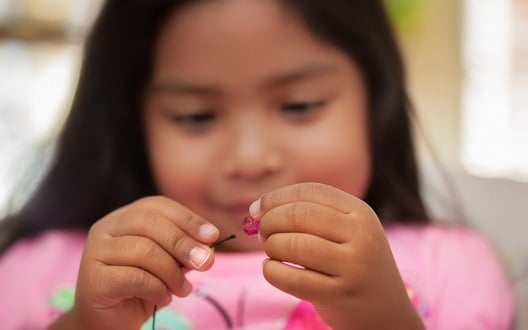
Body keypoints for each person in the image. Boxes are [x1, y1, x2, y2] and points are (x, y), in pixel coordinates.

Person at [0, 0, 514, 329]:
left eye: (299, 106)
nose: (250, 160)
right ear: (133, 126)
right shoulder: (39, 270)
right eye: (196, 116)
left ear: (376, 104)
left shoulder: (451, 264)